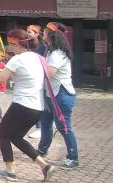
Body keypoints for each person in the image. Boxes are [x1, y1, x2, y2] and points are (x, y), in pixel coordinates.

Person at [0, 29, 55, 182]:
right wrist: (3, 70)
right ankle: (44, 166)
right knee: (16, 137)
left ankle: (10, 171)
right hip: (37, 107)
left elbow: (0, 80)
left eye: (10, 44)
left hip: (22, 105)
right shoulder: (38, 58)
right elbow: (23, 75)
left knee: (3, 134)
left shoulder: (16, 59)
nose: (9, 47)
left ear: (17, 44)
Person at [37, 22, 80, 170]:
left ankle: (73, 158)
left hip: (61, 95)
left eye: (45, 32)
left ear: (51, 35)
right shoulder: (49, 51)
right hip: (50, 93)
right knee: (46, 122)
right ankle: (42, 149)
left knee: (64, 126)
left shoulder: (58, 53)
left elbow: (49, 73)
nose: (43, 34)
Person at [26, 24, 46, 139]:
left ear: (37, 34)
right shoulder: (27, 44)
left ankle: (40, 127)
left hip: (39, 76)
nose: (28, 34)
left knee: (39, 100)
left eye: (30, 32)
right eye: (27, 31)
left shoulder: (42, 47)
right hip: (29, 75)